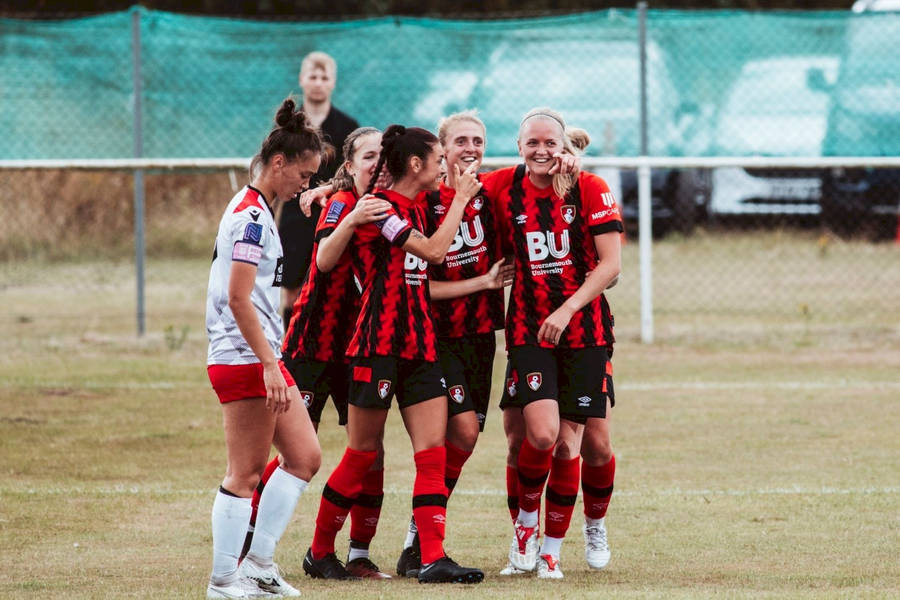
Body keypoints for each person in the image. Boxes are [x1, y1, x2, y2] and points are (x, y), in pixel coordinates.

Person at [302, 124, 486, 584]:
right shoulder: (379, 209)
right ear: (416, 164)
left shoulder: (420, 201)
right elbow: (433, 251)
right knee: (362, 454)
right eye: (438, 158)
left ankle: (432, 557)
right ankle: (319, 551)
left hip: (420, 344)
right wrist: (460, 200)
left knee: (432, 453)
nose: (445, 165)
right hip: (377, 343)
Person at [247, 127, 395, 579]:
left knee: (370, 452)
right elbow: (326, 258)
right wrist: (346, 208)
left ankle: (356, 552)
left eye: (382, 157)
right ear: (349, 166)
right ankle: (247, 540)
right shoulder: (340, 204)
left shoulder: (396, 208)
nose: (377, 164)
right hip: (314, 344)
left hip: (361, 348)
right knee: (297, 449)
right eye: (368, 156)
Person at [481, 108, 623, 580]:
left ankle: (588, 529)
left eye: (550, 143)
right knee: (538, 436)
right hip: (528, 329)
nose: (541, 151)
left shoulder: (589, 187)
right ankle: (526, 531)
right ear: (519, 145)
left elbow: (611, 266)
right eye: (532, 142)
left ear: (563, 145)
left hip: (584, 331)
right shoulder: (502, 185)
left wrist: (566, 310)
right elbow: (442, 188)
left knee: (588, 447)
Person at [204, 98, 325, 599]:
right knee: (246, 473)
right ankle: (223, 580)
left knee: (304, 457)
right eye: (305, 172)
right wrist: (270, 365)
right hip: (245, 359)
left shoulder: (256, 208)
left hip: (261, 357)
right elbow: (237, 297)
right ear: (280, 163)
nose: (307, 182)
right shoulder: (251, 219)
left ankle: (257, 564)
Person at [278, 51, 359, 330]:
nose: (318, 82)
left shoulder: (347, 127)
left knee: (331, 289)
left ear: (333, 83)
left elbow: (354, 175)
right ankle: (289, 349)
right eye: (313, 76)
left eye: (324, 77)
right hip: (293, 215)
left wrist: (325, 190)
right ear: (302, 80)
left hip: (332, 215)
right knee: (291, 291)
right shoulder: (290, 125)